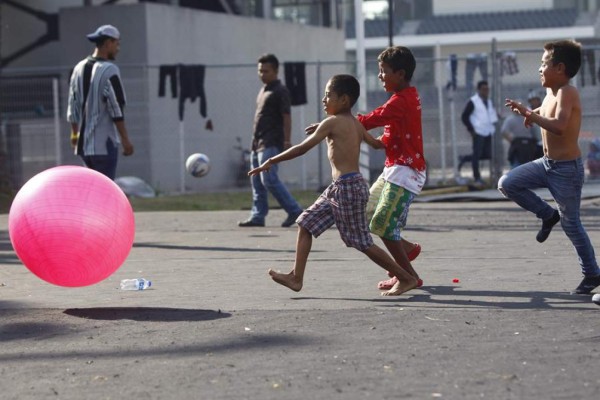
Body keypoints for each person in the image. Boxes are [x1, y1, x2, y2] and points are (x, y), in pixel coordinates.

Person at [249, 74, 418, 296]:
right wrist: (394, 134)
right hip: (340, 187)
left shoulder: (332, 123)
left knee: (361, 242)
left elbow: (302, 147)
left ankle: (406, 278)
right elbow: (377, 145)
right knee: (306, 222)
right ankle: (296, 277)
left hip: (347, 188)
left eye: (328, 95)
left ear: (345, 100)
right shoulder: (356, 124)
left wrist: (271, 160)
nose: (323, 99)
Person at [500, 39, 600, 295]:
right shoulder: (550, 92)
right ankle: (547, 214)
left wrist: (531, 115)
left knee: (572, 224)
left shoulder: (568, 92)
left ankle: (592, 274)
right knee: (508, 183)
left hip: (567, 170)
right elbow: (545, 110)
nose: (539, 69)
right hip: (546, 164)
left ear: (560, 69)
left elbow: (559, 125)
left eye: (543, 64)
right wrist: (530, 112)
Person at [356, 46, 427, 291]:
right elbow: (381, 141)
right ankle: (406, 250)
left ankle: (409, 277)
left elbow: (373, 118)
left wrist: (341, 121)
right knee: (367, 213)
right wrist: (357, 132)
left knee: (383, 225)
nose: (379, 76)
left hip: (406, 173)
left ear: (400, 73)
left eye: (383, 71)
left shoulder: (401, 101)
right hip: (393, 169)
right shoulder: (403, 98)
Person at [238, 54, 303, 228]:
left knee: (269, 179)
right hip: (257, 143)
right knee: (256, 181)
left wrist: (287, 141)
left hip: (271, 142)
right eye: (260, 71)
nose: (262, 74)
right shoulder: (263, 90)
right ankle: (258, 216)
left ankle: (295, 210)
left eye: (266, 71)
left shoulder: (280, 91)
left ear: (275, 71)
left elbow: (286, 116)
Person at [67, 24, 134, 180]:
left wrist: (74, 135)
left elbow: (73, 106)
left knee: (91, 191)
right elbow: (116, 108)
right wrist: (125, 139)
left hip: (83, 147)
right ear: (108, 43)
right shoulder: (109, 69)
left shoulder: (78, 68)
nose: (118, 48)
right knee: (104, 190)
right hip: (104, 145)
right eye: (117, 43)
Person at [459, 80, 498, 185]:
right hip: (478, 131)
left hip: (488, 131)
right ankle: (477, 177)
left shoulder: (488, 101)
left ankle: (465, 158)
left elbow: (490, 115)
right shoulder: (473, 101)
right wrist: (471, 129)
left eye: (487, 89)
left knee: (486, 154)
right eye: (484, 89)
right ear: (479, 90)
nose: (486, 91)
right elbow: (464, 116)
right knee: (477, 154)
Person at [500, 99, 538, 168]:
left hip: (528, 146)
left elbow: (534, 132)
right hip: (519, 146)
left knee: (524, 168)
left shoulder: (527, 117)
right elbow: (504, 131)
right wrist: (513, 140)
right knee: (521, 166)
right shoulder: (511, 119)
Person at [527, 90, 544, 158]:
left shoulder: (544, 110)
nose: (534, 102)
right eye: (532, 100)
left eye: (536, 100)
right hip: (533, 144)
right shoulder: (527, 112)